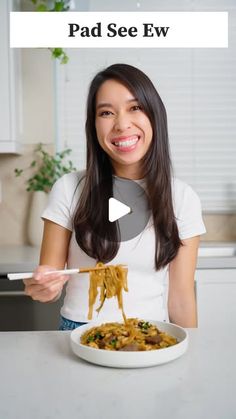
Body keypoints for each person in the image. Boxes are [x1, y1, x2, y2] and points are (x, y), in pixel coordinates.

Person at [24, 63, 206, 330]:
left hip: (152, 333)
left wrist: (191, 356)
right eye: (106, 112)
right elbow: (50, 279)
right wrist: (44, 287)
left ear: (154, 115)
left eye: (135, 107)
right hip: (79, 331)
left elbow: (180, 299)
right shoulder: (69, 188)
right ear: (94, 125)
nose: (122, 124)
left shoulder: (182, 197)